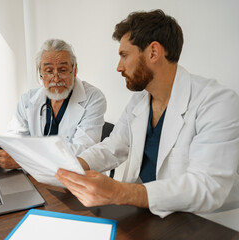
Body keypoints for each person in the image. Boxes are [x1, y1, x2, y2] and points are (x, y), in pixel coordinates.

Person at [56, 9, 239, 218]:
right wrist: (75, 164)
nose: (118, 67)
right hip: (147, 214)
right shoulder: (140, 100)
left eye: (124, 55)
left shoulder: (216, 102)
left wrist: (118, 191)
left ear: (153, 52)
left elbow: (208, 186)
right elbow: (114, 146)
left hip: (201, 221)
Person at [0, 39, 106, 170]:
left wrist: (24, 160)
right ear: (40, 73)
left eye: (62, 70)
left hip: (77, 180)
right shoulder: (28, 100)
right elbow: (15, 140)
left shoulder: (93, 98)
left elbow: (82, 152)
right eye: (49, 71)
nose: (56, 79)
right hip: (36, 176)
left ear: (74, 70)